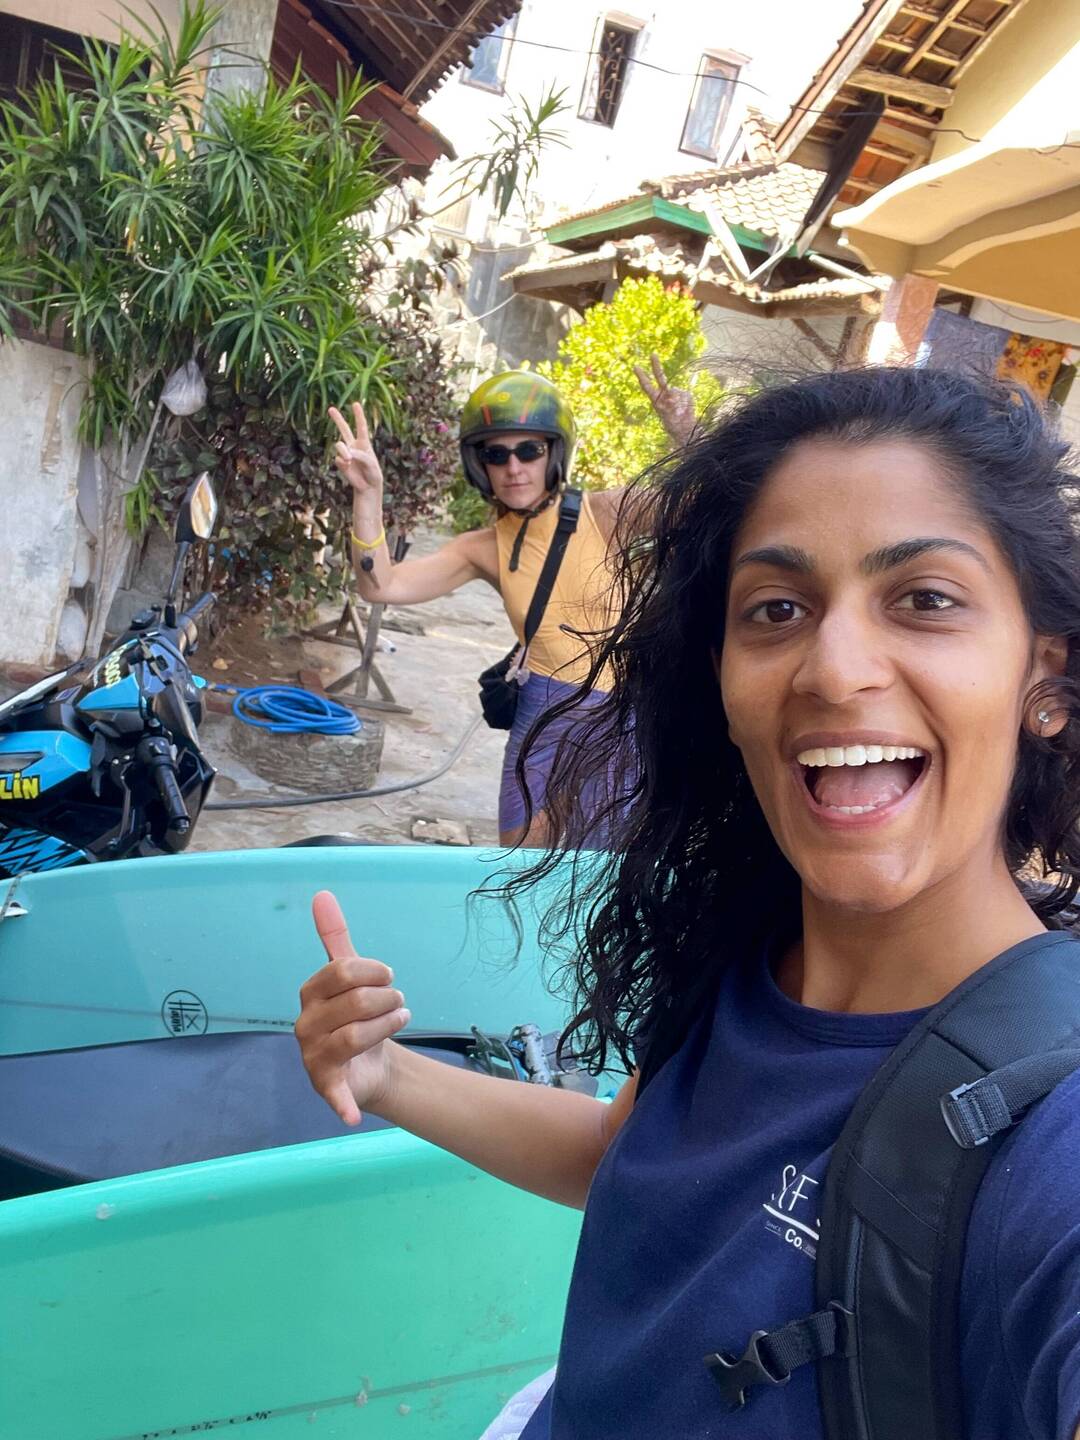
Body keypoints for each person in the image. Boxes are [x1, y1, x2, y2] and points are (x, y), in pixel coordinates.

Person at [297, 366, 1080, 1440]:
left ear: (1045, 678)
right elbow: (624, 1155)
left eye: (926, 600)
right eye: (777, 609)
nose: (835, 669)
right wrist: (387, 1075)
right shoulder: (740, 946)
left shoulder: (1051, 1124)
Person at [330, 361, 693, 847]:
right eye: (496, 454)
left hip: (616, 715)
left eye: (529, 450)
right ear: (479, 464)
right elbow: (382, 586)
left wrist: (687, 434)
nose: (514, 467)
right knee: (520, 857)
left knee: (600, 864)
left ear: (553, 453)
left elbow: (704, 509)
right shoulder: (483, 547)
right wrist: (368, 495)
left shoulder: (605, 513)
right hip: (540, 712)